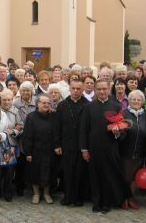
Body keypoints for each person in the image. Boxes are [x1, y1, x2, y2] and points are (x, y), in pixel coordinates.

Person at [79, 79, 129, 213]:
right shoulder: (89, 107)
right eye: (99, 89)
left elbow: (122, 129)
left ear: (109, 89)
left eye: (104, 89)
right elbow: (83, 129)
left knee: (108, 176)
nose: (102, 91)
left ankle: (107, 203)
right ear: (95, 90)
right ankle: (97, 202)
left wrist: (118, 132)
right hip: (93, 148)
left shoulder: (116, 107)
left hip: (110, 148)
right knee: (94, 176)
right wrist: (84, 149)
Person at [54, 79, 89, 207]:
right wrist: (57, 144)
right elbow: (57, 126)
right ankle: (68, 197)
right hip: (66, 144)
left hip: (81, 146)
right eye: (73, 88)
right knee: (67, 173)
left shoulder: (87, 105)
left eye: (78, 89)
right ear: (69, 89)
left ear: (82, 90)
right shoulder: (62, 105)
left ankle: (79, 198)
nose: (75, 91)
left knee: (80, 173)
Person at [23, 93, 56, 204]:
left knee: (49, 172)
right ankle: (36, 194)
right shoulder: (31, 117)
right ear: (37, 104)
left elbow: (57, 133)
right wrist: (28, 153)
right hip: (35, 150)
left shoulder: (53, 116)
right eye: (43, 102)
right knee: (35, 172)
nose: (46, 105)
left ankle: (46, 194)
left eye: (48, 103)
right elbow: (27, 136)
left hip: (50, 150)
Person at [119, 90, 146, 210]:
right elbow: (120, 134)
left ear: (142, 101)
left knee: (134, 178)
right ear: (129, 101)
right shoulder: (123, 113)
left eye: (138, 99)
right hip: (125, 151)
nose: (136, 101)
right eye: (133, 99)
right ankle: (123, 198)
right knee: (125, 177)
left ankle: (131, 198)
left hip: (140, 152)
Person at [0, 89, 22, 202]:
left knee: (9, 170)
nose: (7, 102)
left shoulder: (15, 111)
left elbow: (20, 126)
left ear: (12, 100)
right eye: (4, 100)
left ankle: (8, 193)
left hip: (11, 144)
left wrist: (13, 131)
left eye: (9, 100)